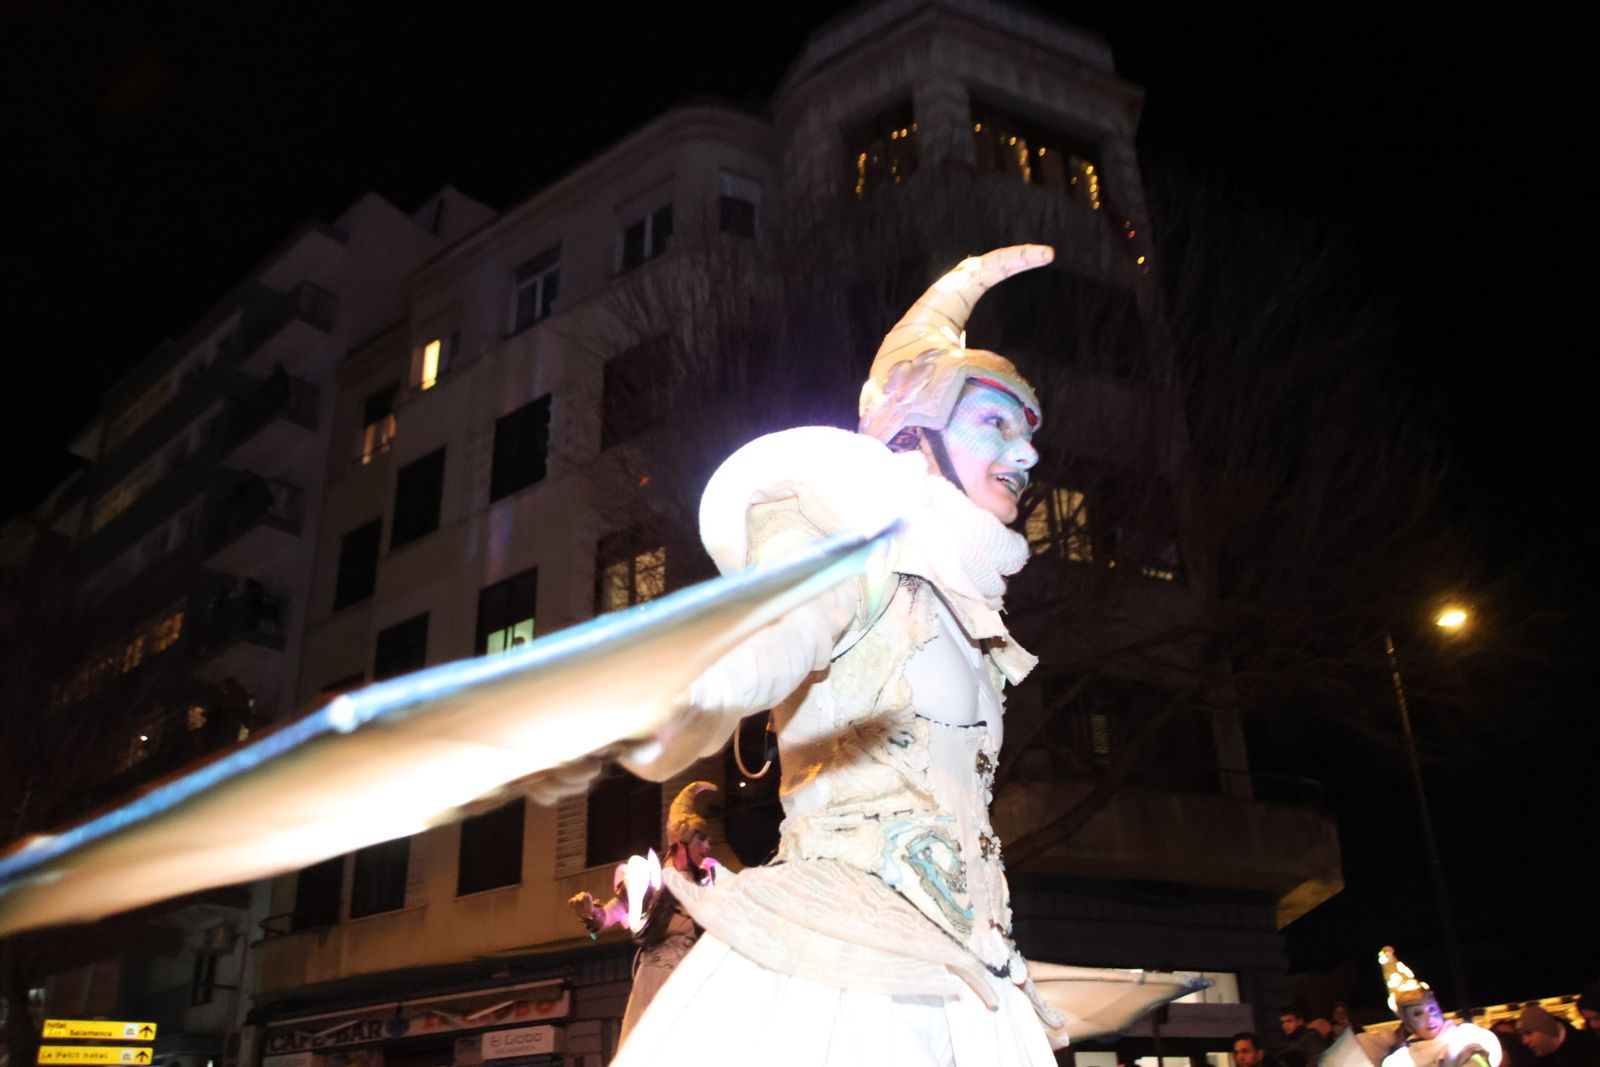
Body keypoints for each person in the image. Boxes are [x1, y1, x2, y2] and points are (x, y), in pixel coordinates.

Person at [612, 246, 1071, 1064]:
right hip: (841, 978)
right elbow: (779, 634)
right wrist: (706, 677)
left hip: (970, 978)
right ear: (913, 434)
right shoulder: (855, 553)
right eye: (995, 421)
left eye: (1028, 432)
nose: (1027, 454)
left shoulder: (968, 615)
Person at [567, 781, 720, 1045]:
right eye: (701, 838)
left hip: (693, 980)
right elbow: (608, 917)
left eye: (708, 840)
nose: (707, 846)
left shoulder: (707, 886)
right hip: (657, 981)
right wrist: (589, 913)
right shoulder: (651, 881)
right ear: (681, 842)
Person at [1376, 946, 1500, 1067]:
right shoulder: (1400, 1062)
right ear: (1407, 1023)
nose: (1429, 1017)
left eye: (1432, 1009)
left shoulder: (1467, 1042)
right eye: (1417, 1014)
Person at [1518, 1004, 1600, 1067]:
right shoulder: (1531, 1060)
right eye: (1521, 1035)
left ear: (1546, 1030)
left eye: (1529, 1033)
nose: (1524, 1041)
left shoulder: (1591, 1049)